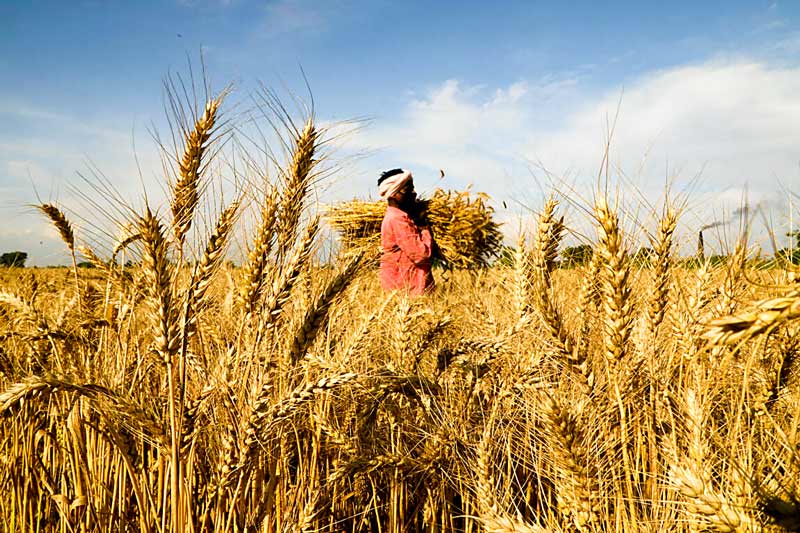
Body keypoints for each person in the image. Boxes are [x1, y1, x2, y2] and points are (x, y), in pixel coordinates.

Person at [378, 168, 435, 295]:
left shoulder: (401, 217)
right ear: (394, 193)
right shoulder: (397, 220)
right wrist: (425, 230)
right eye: (408, 189)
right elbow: (420, 254)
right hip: (405, 290)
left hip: (406, 289)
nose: (414, 193)